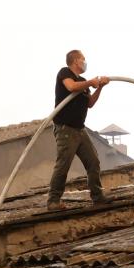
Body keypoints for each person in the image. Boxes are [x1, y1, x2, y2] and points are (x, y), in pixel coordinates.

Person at [47, 49, 110, 209]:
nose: (85, 62)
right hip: (65, 129)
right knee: (63, 164)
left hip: (80, 129)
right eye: (83, 59)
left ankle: (98, 197)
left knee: (93, 161)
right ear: (75, 61)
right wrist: (91, 82)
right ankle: (53, 201)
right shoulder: (65, 73)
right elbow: (71, 87)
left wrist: (100, 87)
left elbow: (90, 103)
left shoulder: (83, 81)